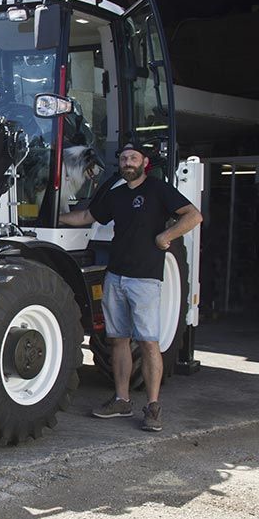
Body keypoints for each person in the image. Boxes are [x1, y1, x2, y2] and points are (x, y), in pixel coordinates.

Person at [59, 142, 202, 432]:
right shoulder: (117, 195)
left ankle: (152, 407)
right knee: (118, 340)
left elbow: (193, 215)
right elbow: (87, 217)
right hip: (116, 277)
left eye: (133, 158)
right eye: (123, 158)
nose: (127, 163)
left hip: (145, 279)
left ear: (144, 162)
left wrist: (166, 235)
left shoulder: (158, 189)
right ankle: (122, 400)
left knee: (149, 343)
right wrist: (49, 216)